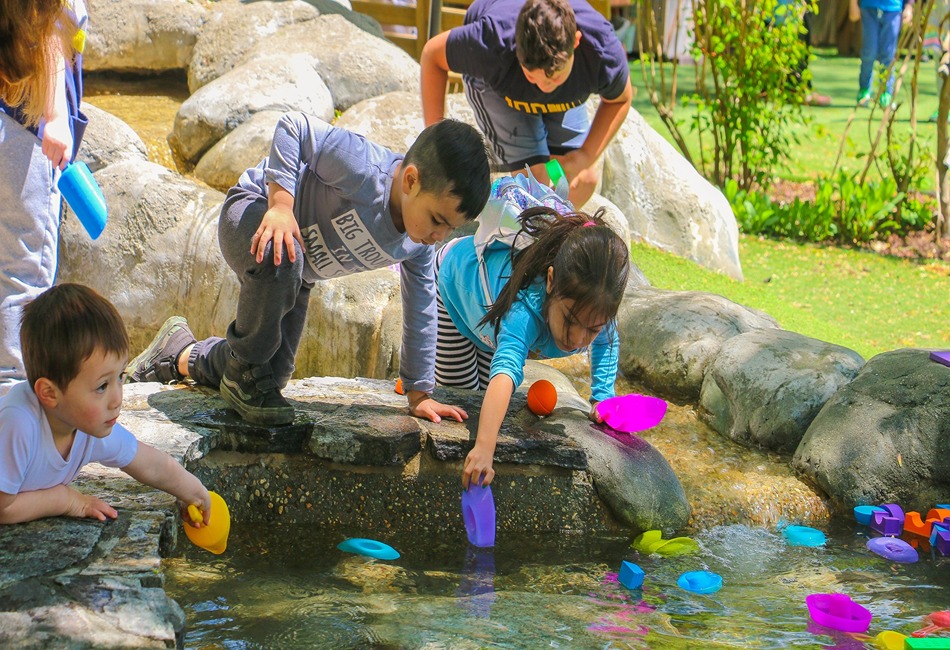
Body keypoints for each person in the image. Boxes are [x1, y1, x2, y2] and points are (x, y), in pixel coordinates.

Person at [125, 112, 492, 427]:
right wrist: (281, 206)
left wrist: (419, 393)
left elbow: (422, 308)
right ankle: (242, 372)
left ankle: (180, 353)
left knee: (271, 376)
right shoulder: (365, 170)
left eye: (450, 229)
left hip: (294, 272)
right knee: (257, 352)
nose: (439, 236)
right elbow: (294, 126)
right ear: (410, 180)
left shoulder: (417, 244)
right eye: (437, 220)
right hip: (254, 214)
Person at [434, 178, 630, 488]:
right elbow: (506, 370)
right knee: (462, 402)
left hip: (488, 324)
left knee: (484, 399)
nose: (578, 339)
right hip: (453, 289)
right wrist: (484, 448)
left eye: (591, 329)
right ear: (551, 281)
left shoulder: (595, 310)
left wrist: (602, 398)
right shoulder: (525, 310)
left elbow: (608, 340)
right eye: (571, 321)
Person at [0, 284, 211, 525]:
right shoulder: (18, 424)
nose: (117, 399)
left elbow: (149, 464)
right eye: (102, 386)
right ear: (49, 393)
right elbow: (3, 508)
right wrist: (67, 501)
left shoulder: (85, 425)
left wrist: (194, 493)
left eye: (120, 376)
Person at [420, 0, 633, 208]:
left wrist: (585, 156)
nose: (543, 87)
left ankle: (547, 228)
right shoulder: (492, 42)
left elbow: (620, 99)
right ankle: (525, 226)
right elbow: (432, 56)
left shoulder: (600, 50)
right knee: (534, 179)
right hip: (503, 89)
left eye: (554, 77)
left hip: (565, 96)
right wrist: (436, 146)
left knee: (580, 181)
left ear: (576, 42)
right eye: (532, 76)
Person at [0, 0, 89, 396]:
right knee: (23, 273)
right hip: (26, 133)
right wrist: (55, 116)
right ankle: (11, 393)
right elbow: (48, 23)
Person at [850, 0, 914, 108]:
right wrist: (853, 3)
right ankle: (864, 90)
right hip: (869, 7)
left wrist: (909, 6)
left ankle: (886, 92)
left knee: (888, 54)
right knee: (869, 52)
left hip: (893, 8)